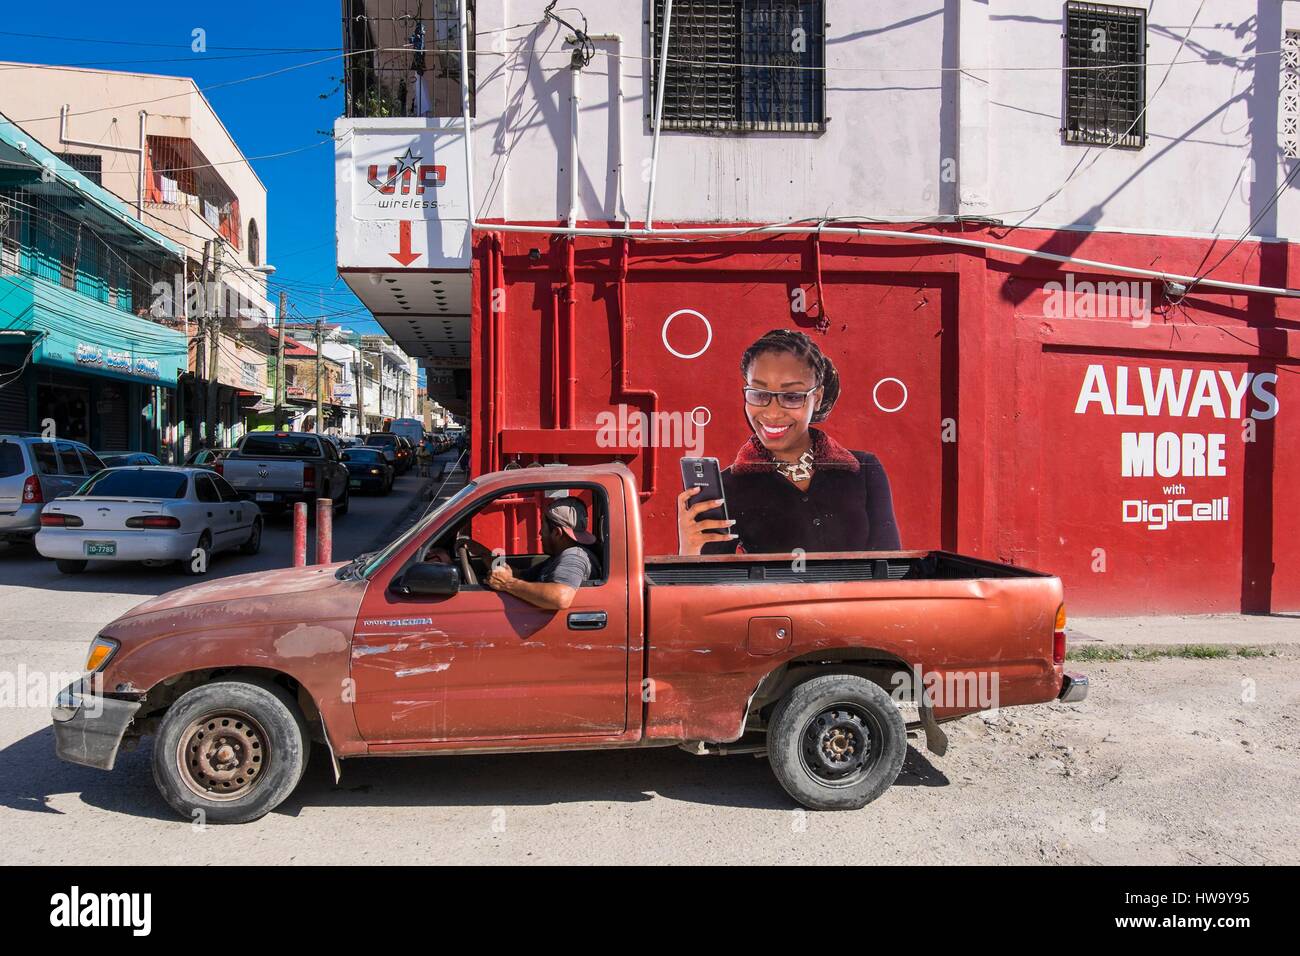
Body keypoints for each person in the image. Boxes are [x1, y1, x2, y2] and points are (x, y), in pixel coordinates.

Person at [677, 328, 901, 556]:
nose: (772, 413)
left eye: (792, 397)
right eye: (759, 394)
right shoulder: (728, 487)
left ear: (818, 396)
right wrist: (690, 551)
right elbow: (710, 585)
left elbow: (890, 566)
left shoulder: (864, 469)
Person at [487, 497, 601, 610]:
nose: (540, 532)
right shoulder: (557, 557)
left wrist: (507, 583)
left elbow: (560, 598)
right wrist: (483, 553)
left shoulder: (574, 556)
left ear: (556, 533)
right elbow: (520, 575)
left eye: (543, 525)